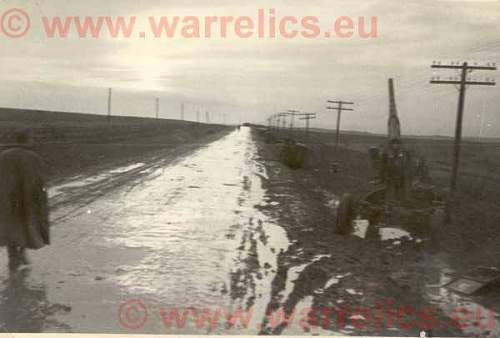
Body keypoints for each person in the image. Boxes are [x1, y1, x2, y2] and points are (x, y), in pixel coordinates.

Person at [0, 131, 50, 272]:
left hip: (7, 198)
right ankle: (21, 252)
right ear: (27, 141)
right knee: (26, 225)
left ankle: (12, 254)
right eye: (32, 139)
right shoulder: (34, 157)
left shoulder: (4, 155)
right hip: (27, 198)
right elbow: (40, 178)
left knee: (10, 226)